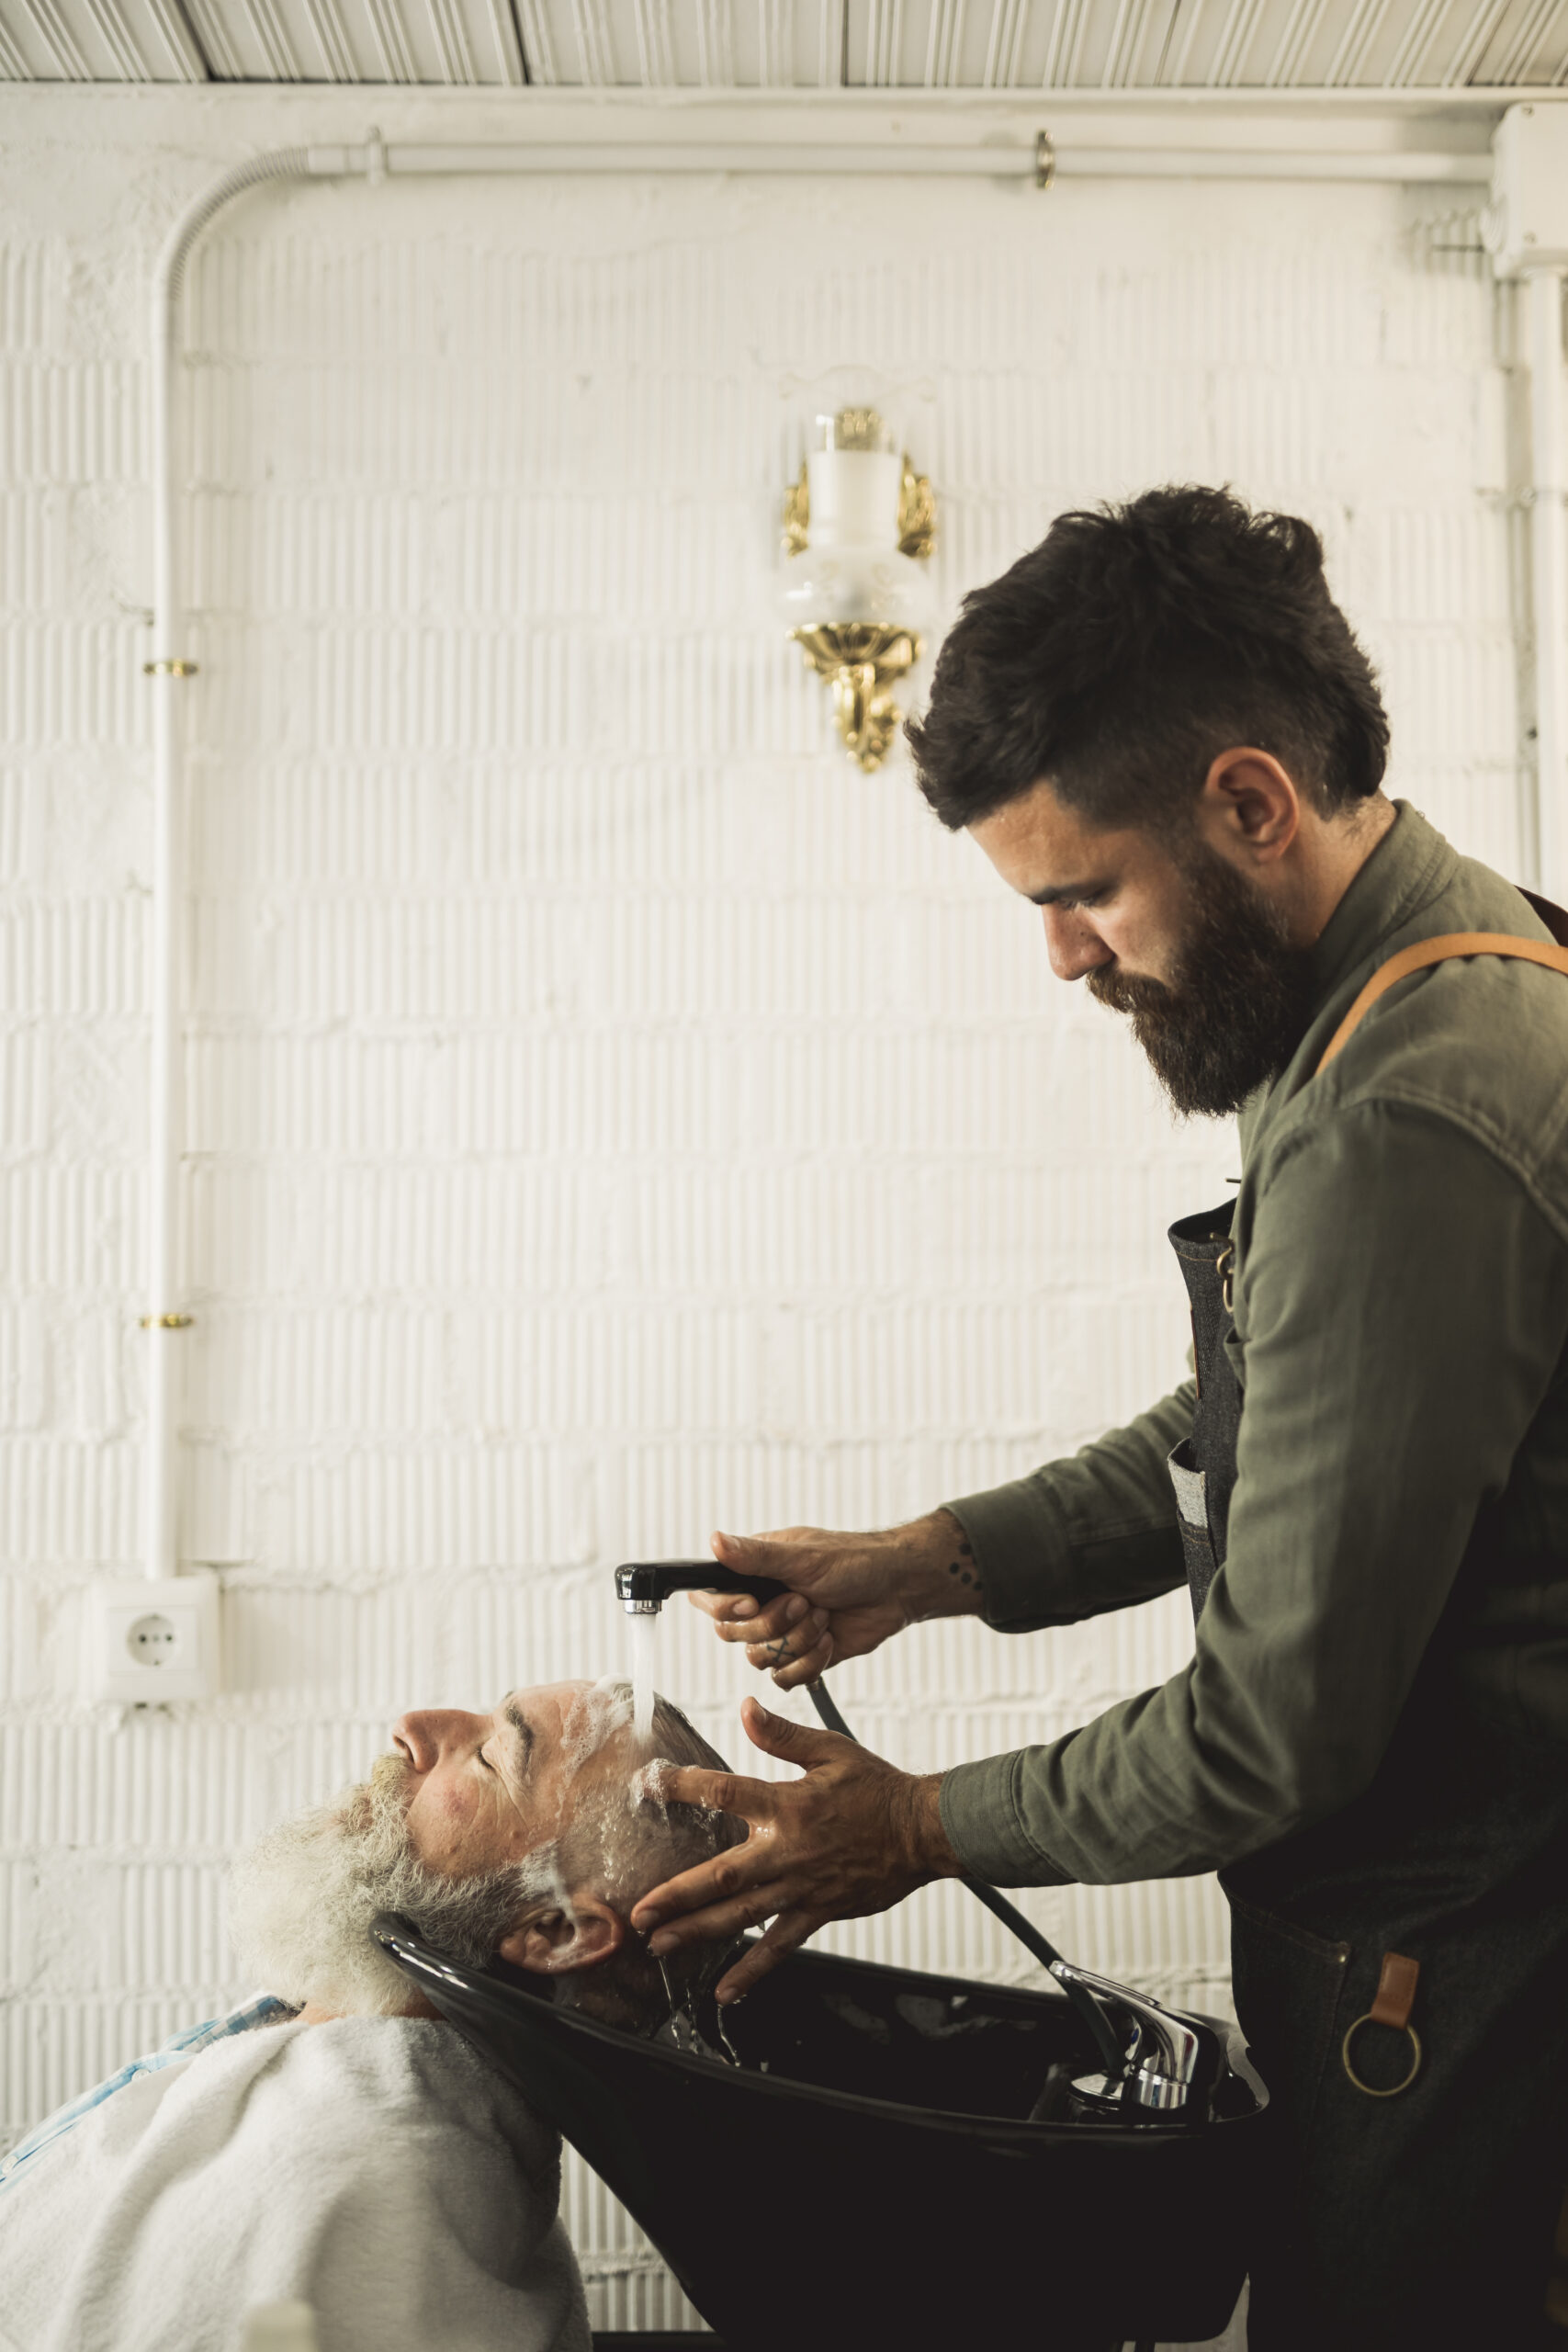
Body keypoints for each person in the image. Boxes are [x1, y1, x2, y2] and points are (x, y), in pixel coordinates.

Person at [630, 487, 1568, 2348]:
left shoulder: (1402, 1107)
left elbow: (1267, 1731)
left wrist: (907, 1825)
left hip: (1453, 1973)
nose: (1061, 955)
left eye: (1077, 889)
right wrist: (936, 1561)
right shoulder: (1412, 969)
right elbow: (1268, 1403)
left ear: (1246, 801)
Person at [0, 1678, 740, 2352]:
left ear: (554, 1932)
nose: (413, 1727)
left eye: (488, 1757)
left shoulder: (352, 2185)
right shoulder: (337, 2076)